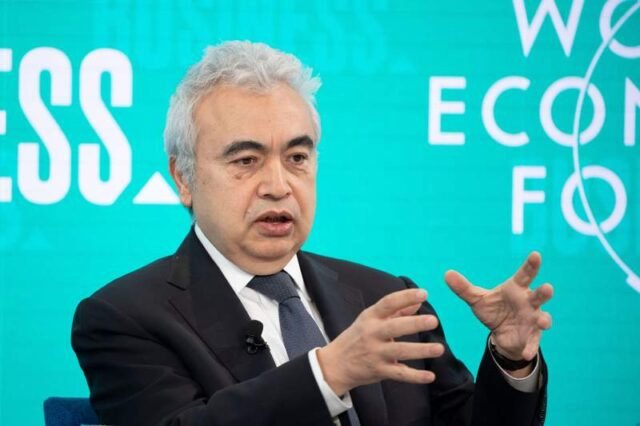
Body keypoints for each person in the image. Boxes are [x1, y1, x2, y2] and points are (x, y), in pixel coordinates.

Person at [72, 41, 553, 426]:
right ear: (184, 178)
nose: (278, 186)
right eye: (246, 160)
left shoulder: (386, 298)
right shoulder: (123, 318)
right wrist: (327, 374)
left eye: (297, 158)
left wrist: (512, 360)